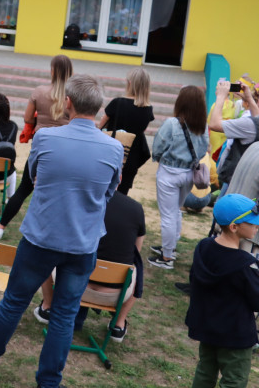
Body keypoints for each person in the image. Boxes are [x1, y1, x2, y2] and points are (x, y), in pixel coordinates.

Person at [0, 75, 122, 388]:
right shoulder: (113, 147)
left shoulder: (47, 138)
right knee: (63, 314)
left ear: (69, 104)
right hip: (82, 241)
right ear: (99, 108)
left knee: (16, 300)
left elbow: (34, 177)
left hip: (43, 236)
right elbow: (108, 193)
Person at [182, 194, 259, 388]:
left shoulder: (203, 247)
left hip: (207, 327)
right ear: (235, 227)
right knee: (233, 383)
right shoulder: (245, 265)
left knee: (205, 372)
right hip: (235, 336)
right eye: (253, 221)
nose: (257, 225)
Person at [34, 189, 146, 343]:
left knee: (48, 253)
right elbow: (136, 253)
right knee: (136, 269)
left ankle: (47, 307)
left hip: (71, 285)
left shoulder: (78, 200)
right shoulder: (136, 208)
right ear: (118, 178)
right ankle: (118, 324)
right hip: (115, 294)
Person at [0, 54, 72, 239]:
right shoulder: (73, 96)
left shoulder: (39, 92)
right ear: (70, 72)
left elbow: (27, 119)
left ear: (52, 71)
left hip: (42, 146)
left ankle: (0, 227)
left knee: (25, 187)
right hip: (66, 148)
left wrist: (41, 117)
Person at [149, 85, 209, 269]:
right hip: (188, 173)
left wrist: (158, 158)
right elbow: (204, 148)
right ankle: (170, 248)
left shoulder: (172, 123)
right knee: (175, 211)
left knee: (168, 214)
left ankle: (167, 257)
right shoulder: (202, 126)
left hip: (169, 172)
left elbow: (158, 145)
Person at [99, 67, 155, 195]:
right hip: (132, 155)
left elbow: (100, 126)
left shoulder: (117, 103)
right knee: (122, 193)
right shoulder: (148, 109)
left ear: (129, 83)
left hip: (112, 152)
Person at [208, 79, 259, 189]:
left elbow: (214, 124)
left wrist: (221, 97)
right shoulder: (254, 123)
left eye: (257, 97)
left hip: (238, 178)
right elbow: (257, 120)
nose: (256, 99)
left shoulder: (248, 123)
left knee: (223, 205)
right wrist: (249, 98)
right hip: (249, 178)